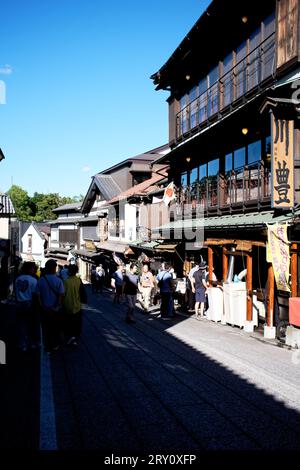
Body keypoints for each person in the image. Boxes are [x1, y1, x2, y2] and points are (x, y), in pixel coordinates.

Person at [36, 259, 64, 352]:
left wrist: (42, 306)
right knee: (55, 327)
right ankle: (55, 345)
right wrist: (56, 307)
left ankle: (47, 345)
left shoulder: (41, 280)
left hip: (44, 309)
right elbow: (60, 296)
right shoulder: (59, 281)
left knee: (45, 328)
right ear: (55, 268)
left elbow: (38, 296)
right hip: (55, 310)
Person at [15, 262, 40, 351]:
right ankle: (33, 343)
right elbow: (35, 295)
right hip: (29, 304)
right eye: (33, 268)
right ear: (30, 269)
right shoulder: (33, 280)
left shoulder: (18, 279)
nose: (34, 270)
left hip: (19, 304)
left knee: (21, 325)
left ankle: (23, 344)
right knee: (32, 324)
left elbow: (16, 293)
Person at [63, 264, 86, 346]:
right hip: (77, 305)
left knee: (68, 322)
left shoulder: (66, 282)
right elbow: (82, 293)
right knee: (77, 322)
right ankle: (75, 337)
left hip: (67, 305)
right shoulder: (78, 281)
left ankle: (69, 336)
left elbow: (63, 294)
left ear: (69, 271)